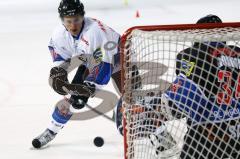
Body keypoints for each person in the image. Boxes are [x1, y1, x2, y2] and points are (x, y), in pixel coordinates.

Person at [32, 0, 121, 149]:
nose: (73, 26)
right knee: (73, 101)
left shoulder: (94, 32)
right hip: (92, 59)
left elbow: (104, 66)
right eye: (68, 21)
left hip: (119, 56)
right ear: (62, 20)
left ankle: (158, 132)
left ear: (83, 17)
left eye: (77, 20)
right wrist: (59, 74)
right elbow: (60, 59)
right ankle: (51, 130)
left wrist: (89, 88)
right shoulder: (59, 35)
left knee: (134, 96)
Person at [150, 14, 240, 158]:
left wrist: (154, 106)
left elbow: (182, 99)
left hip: (204, 140)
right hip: (236, 138)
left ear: (198, 34)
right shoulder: (238, 54)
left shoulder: (190, 55)